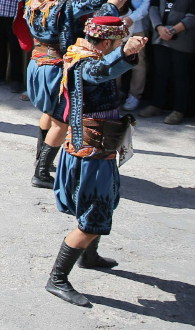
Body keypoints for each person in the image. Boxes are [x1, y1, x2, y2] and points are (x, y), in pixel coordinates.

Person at [44, 16, 146, 307]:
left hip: (100, 149)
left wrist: (125, 50)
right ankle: (57, 278)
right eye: (113, 42)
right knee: (92, 216)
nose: (115, 45)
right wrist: (124, 51)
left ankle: (89, 255)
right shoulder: (85, 63)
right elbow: (99, 71)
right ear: (104, 42)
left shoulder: (85, 52)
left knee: (105, 202)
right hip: (91, 153)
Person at [15, 0, 136, 188]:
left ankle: (42, 160)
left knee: (49, 113)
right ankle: (41, 172)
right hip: (56, 69)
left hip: (36, 64)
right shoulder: (65, 8)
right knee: (62, 120)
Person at [143, 0, 195, 125]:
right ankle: (156, 104)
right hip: (160, 36)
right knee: (160, 72)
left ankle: (179, 110)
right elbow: (153, 8)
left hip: (181, 40)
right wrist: (159, 28)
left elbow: (193, 16)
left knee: (180, 76)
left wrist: (173, 30)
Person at [105, 0, 161, 111]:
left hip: (137, 24)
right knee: (114, 58)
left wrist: (131, 18)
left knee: (138, 62)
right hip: (116, 22)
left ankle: (135, 95)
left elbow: (147, 3)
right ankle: (114, 92)